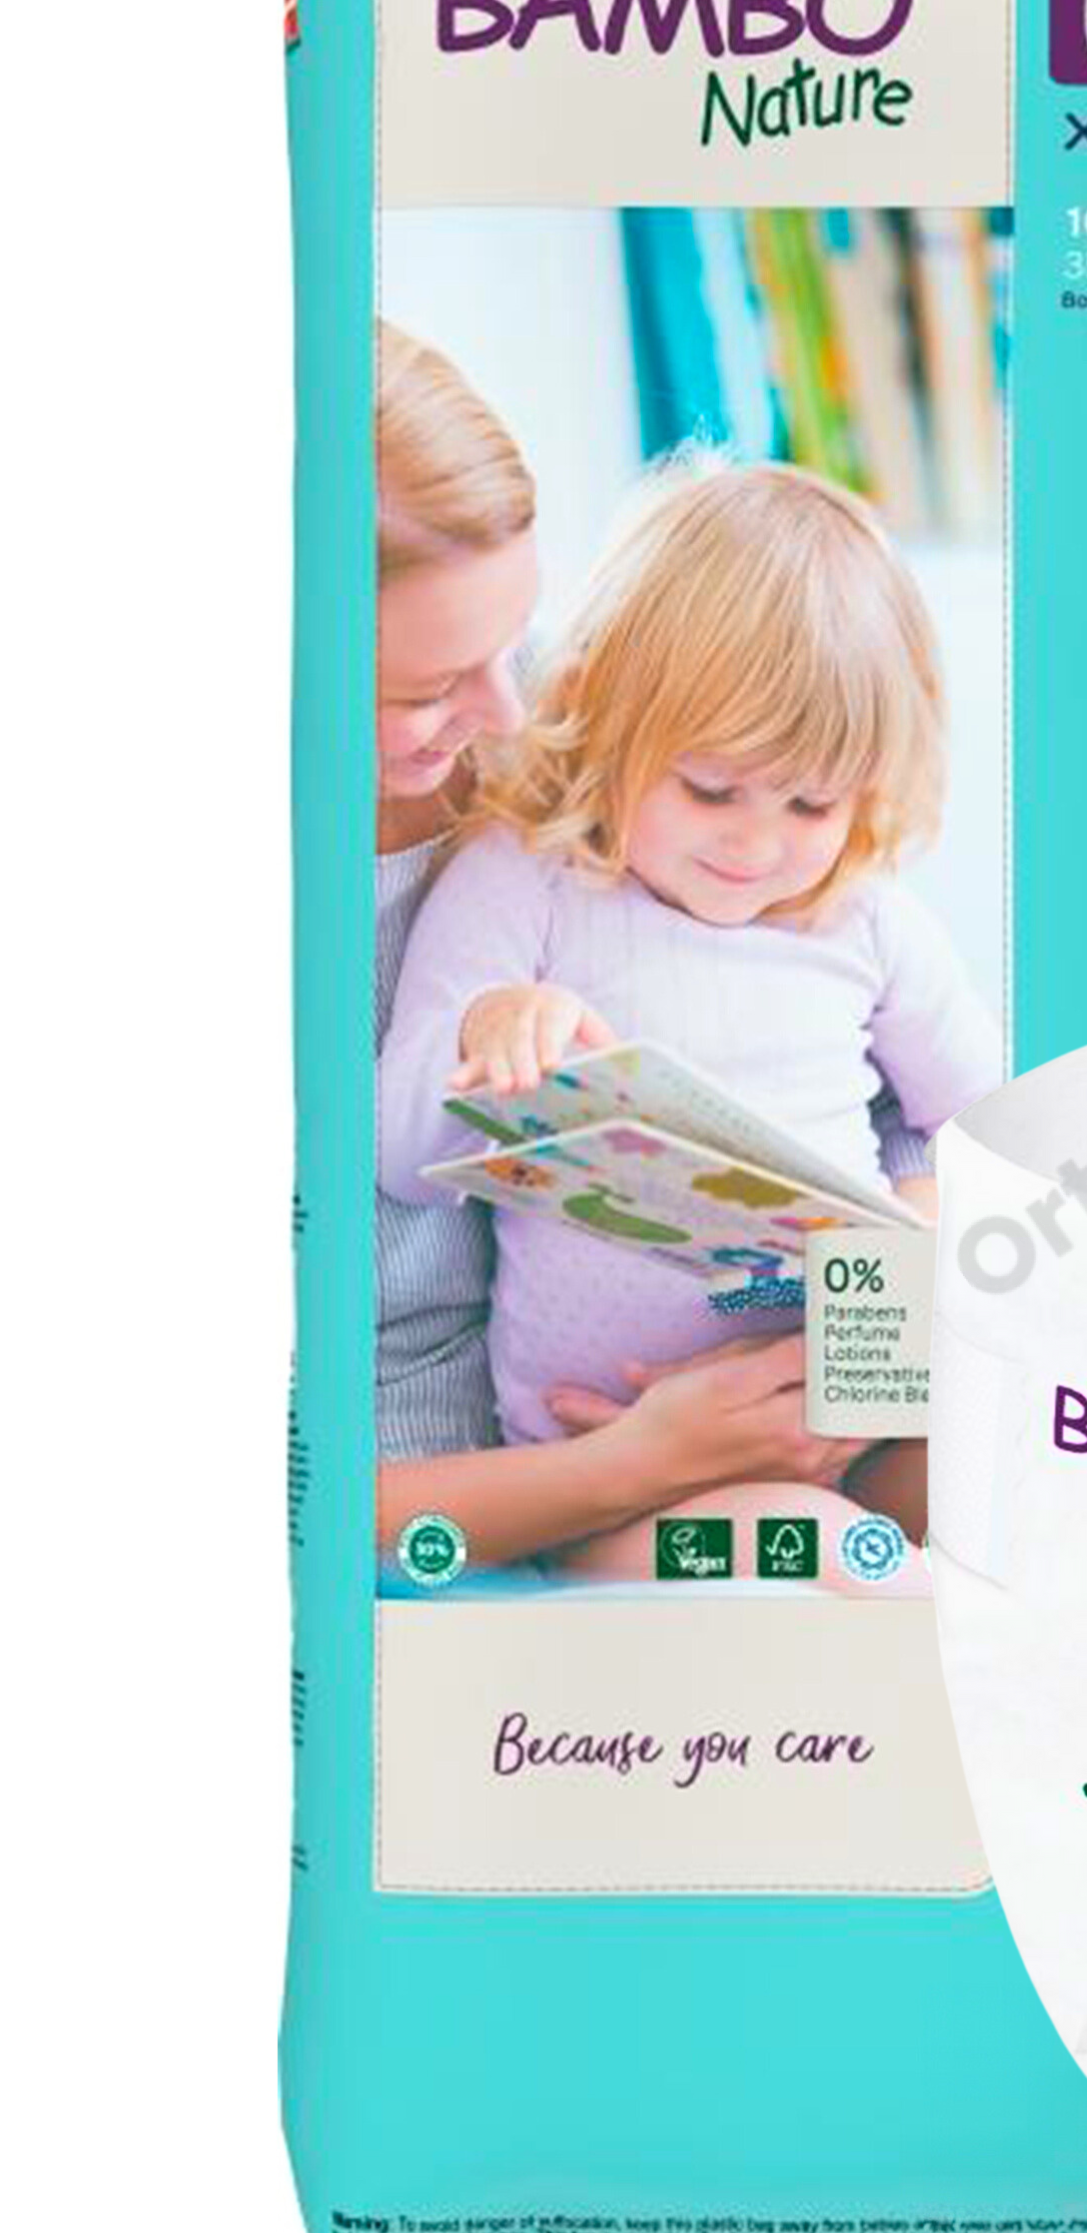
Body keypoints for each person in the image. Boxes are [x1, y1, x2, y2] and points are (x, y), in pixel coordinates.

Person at [378, 455, 1000, 1564]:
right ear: (607, 720)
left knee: (1022, 1484)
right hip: (605, 1469)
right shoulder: (530, 881)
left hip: (850, 1413)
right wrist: (485, 1032)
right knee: (826, 1562)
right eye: (710, 789)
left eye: (811, 804)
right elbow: (399, 1156)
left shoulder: (861, 917)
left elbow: (993, 1125)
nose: (755, 844)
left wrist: (918, 1219)